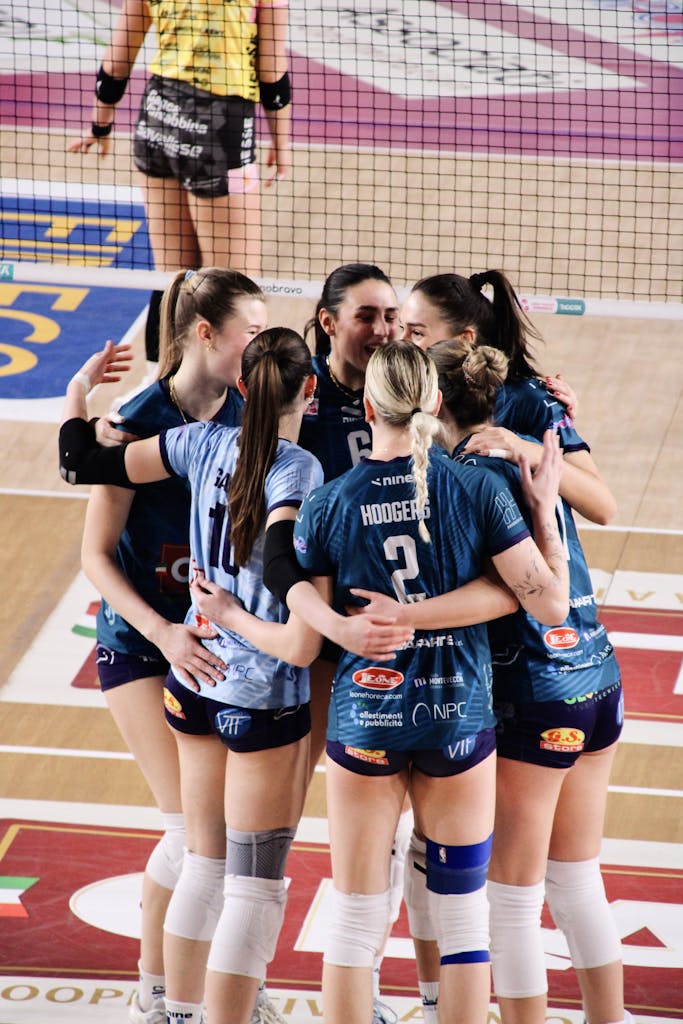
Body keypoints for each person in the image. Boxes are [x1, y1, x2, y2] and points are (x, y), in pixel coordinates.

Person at [59, 329, 412, 1024]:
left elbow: (81, 460)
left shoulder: (196, 443)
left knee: (202, 860)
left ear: (243, 388)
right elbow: (287, 584)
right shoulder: (301, 471)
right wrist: (297, 620)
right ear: (309, 393)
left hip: (193, 681)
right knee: (253, 888)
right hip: (260, 699)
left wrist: (79, 394)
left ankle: (178, 1010)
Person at [292, 340, 570, 1024]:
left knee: (356, 923)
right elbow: (547, 604)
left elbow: (312, 634)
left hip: (364, 720)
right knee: (464, 927)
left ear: (365, 407)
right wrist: (544, 515)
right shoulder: (476, 487)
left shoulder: (328, 501)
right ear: (437, 402)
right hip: (456, 720)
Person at [74, 267, 275, 1024]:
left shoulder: (248, 410)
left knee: (219, 838)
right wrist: (161, 630)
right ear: (204, 333)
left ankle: (201, 993)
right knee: (191, 833)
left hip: (212, 638)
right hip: (143, 638)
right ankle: (158, 994)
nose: (259, 347)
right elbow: (95, 554)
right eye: (250, 332)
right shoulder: (139, 416)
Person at [421, 338, 628, 1024]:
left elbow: (517, 593)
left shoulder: (460, 475)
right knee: (574, 880)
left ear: (434, 402)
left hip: (534, 693)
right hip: (596, 676)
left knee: (509, 898)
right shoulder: (533, 449)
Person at [68, 0, 291, 376]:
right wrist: (281, 144)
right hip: (222, 132)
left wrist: (100, 125)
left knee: (173, 282)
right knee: (237, 292)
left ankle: (160, 387)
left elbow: (118, 58)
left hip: (157, 124)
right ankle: (241, 410)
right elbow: (270, 70)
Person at [399, 270, 615, 522]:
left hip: (540, 558)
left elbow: (603, 508)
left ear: (465, 338)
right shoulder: (411, 398)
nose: (400, 342)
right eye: (401, 329)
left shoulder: (531, 401)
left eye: (416, 333)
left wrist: (526, 450)